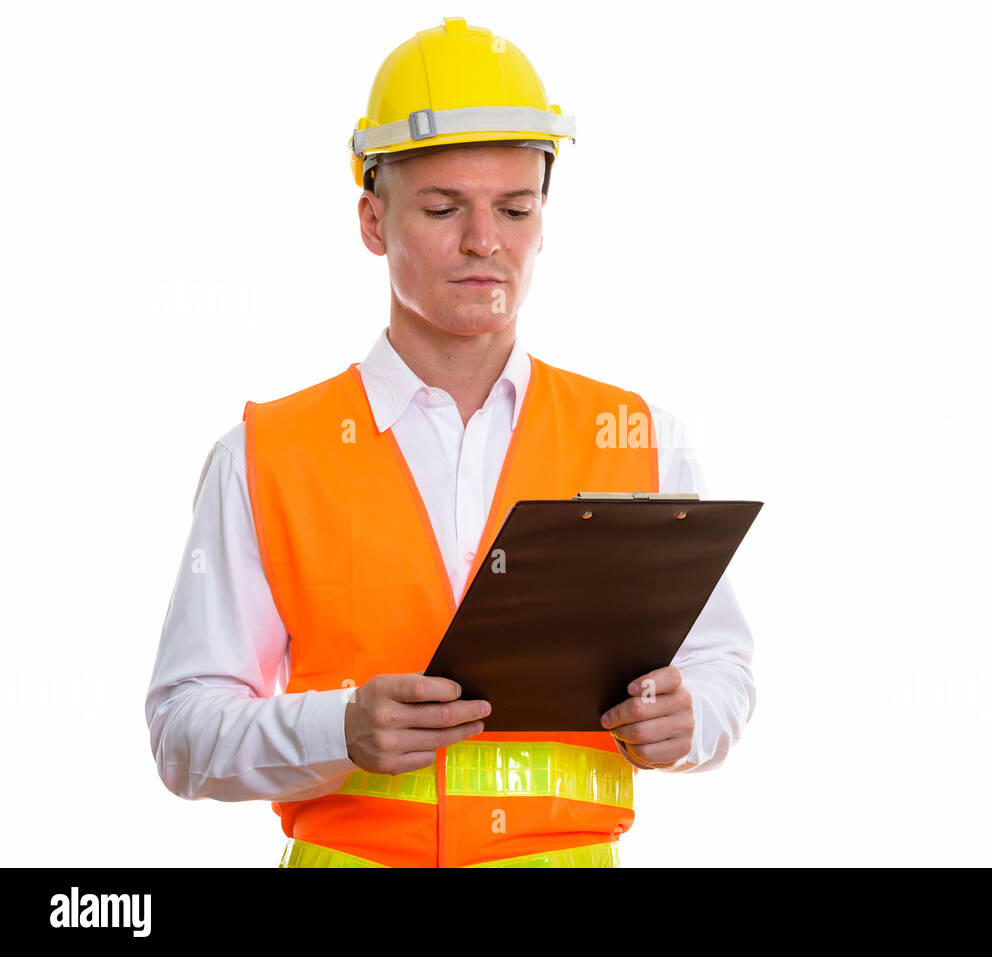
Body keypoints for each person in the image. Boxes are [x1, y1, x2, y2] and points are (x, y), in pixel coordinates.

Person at [145, 17, 755, 868]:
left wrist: (690, 721)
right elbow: (181, 731)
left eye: (515, 208)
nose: (485, 242)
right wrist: (339, 726)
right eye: (443, 208)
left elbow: (723, 666)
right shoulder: (265, 455)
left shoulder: (640, 440)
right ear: (371, 219)